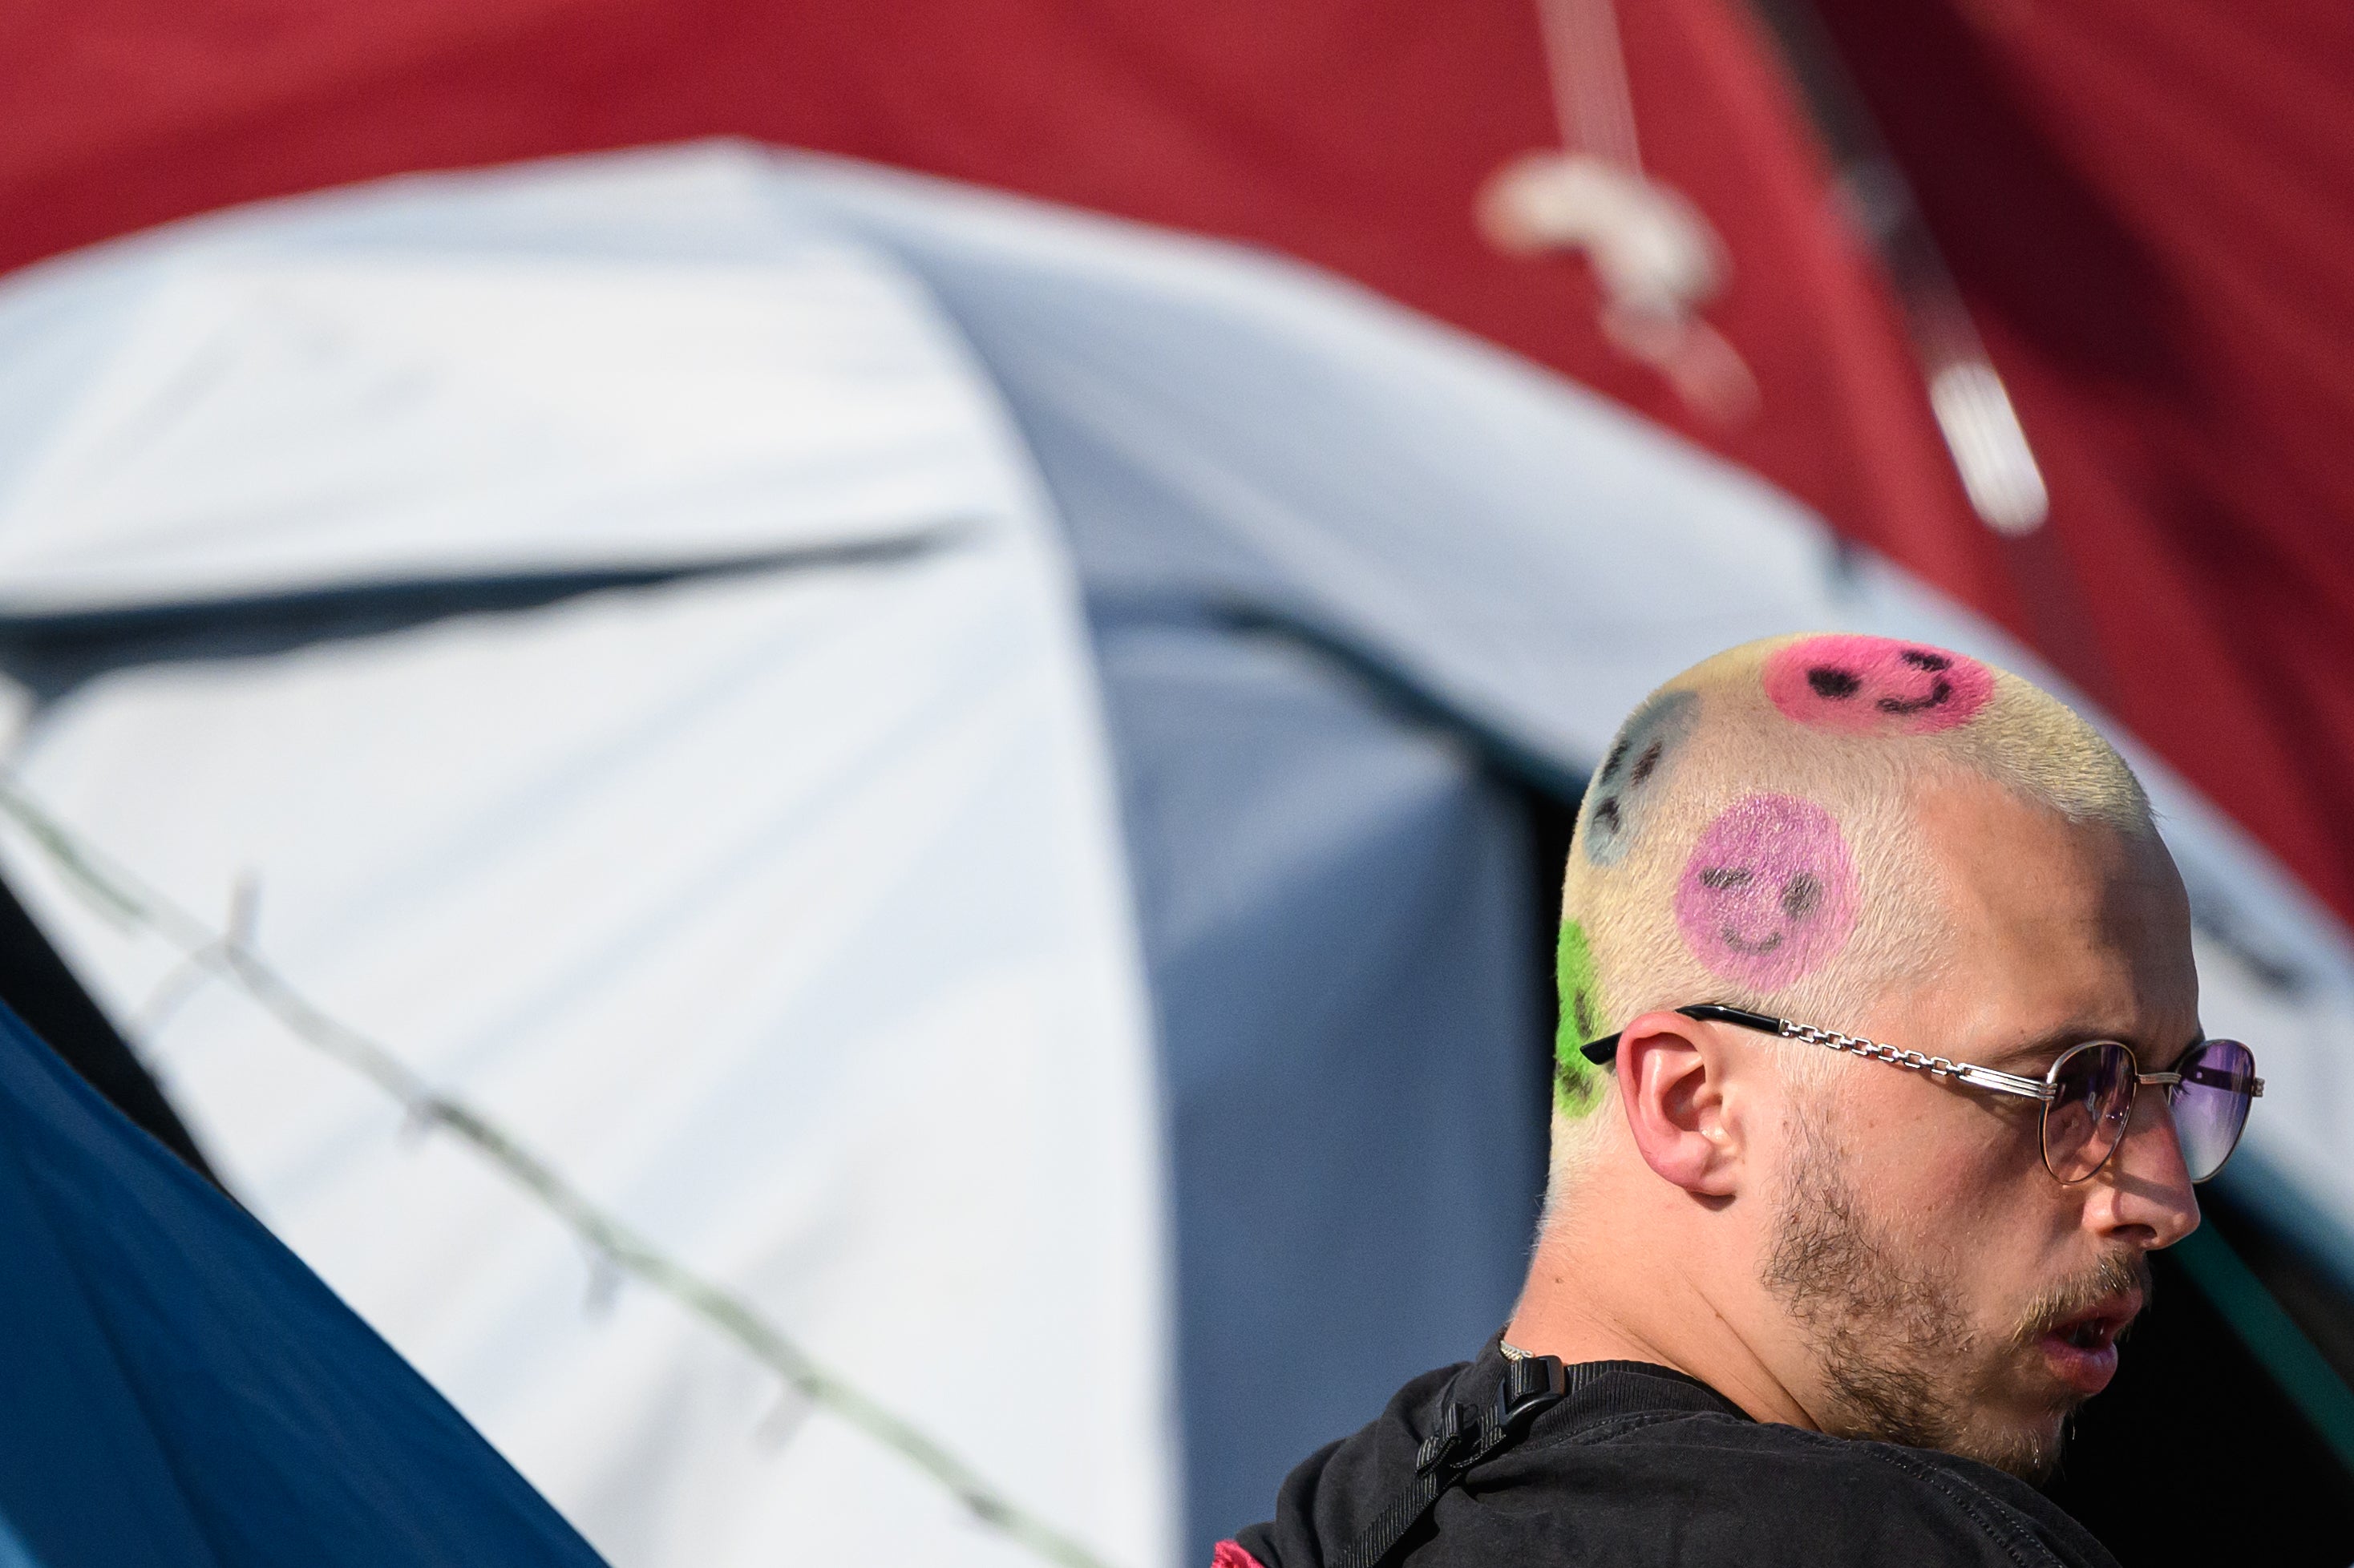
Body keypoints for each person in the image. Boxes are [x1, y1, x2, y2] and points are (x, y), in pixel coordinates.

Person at [1219, 633, 2265, 1568]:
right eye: (2072, 1084)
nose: (2163, 1198)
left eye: (2184, 1087)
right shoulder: (1893, 1545)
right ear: (1693, 1105)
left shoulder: (1353, 1516)